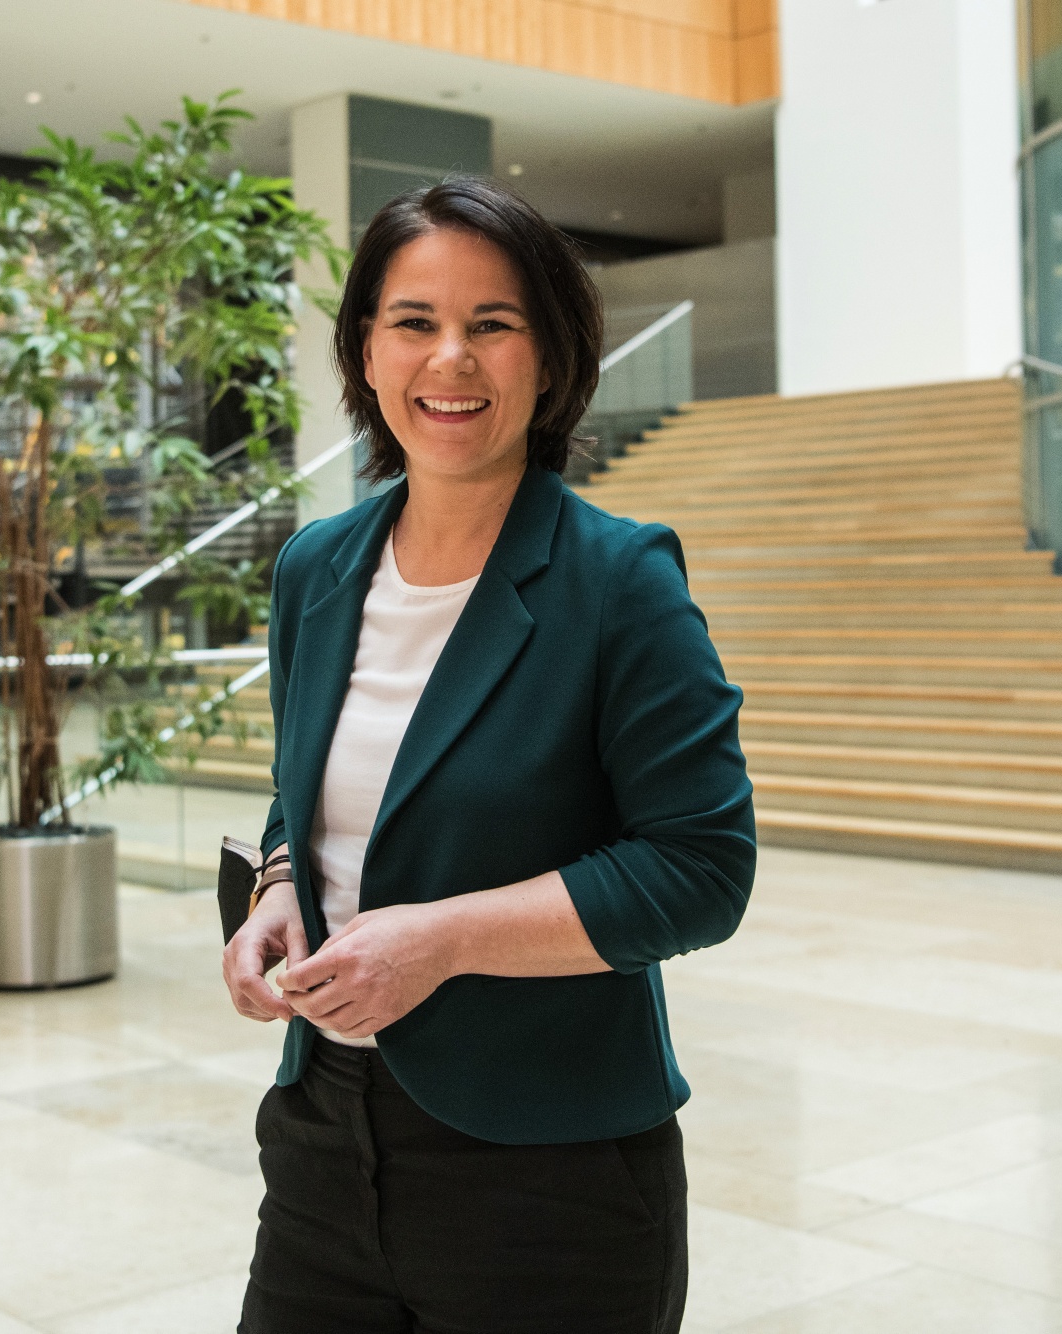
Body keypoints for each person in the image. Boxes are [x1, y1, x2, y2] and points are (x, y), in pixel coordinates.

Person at [220, 176, 756, 1334]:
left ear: (550, 360)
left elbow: (700, 867)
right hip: (321, 1141)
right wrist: (274, 885)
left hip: (547, 1177)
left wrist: (443, 938)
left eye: (492, 324)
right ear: (364, 351)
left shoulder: (619, 581)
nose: (448, 359)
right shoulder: (314, 570)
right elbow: (302, 792)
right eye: (412, 322)